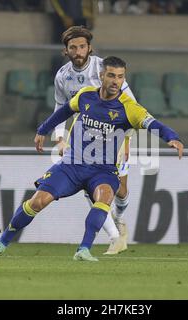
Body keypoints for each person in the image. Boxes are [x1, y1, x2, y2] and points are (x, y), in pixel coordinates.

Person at [0, 56, 183, 262]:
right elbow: (64, 111)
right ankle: (1, 242)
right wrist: (43, 129)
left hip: (103, 170)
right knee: (38, 201)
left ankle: (84, 249)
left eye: (120, 77)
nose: (116, 81)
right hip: (72, 165)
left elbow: (154, 124)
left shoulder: (129, 107)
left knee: (104, 197)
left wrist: (172, 137)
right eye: (111, 75)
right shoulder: (85, 96)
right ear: (101, 75)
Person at [53, 25, 137, 255]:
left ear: (89, 47)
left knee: (120, 189)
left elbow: (130, 105)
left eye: (82, 46)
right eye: (73, 47)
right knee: (91, 188)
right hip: (85, 139)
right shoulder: (62, 76)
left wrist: (126, 142)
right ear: (66, 50)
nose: (78, 51)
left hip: (114, 136)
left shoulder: (105, 69)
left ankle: (119, 220)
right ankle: (114, 237)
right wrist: (60, 138)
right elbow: (61, 107)